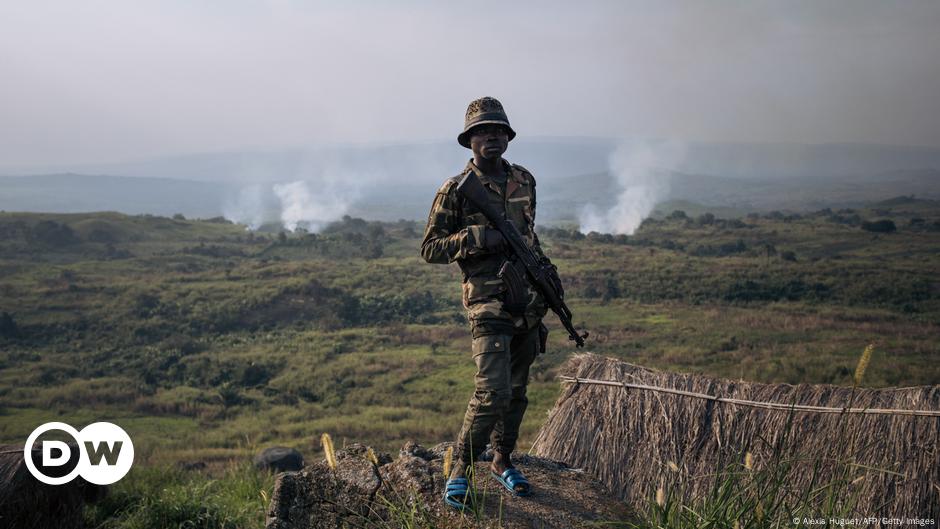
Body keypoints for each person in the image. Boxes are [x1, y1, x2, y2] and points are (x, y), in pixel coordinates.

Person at [421, 96, 557, 509]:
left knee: (516, 393)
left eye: (498, 130)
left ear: (508, 136)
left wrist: (547, 275)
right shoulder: (456, 190)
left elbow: (529, 236)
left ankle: (501, 460)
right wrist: (479, 238)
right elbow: (431, 248)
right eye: (482, 131)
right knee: (492, 392)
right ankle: (460, 469)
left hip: (528, 303)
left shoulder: (525, 180)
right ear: (470, 141)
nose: (491, 136)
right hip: (486, 302)